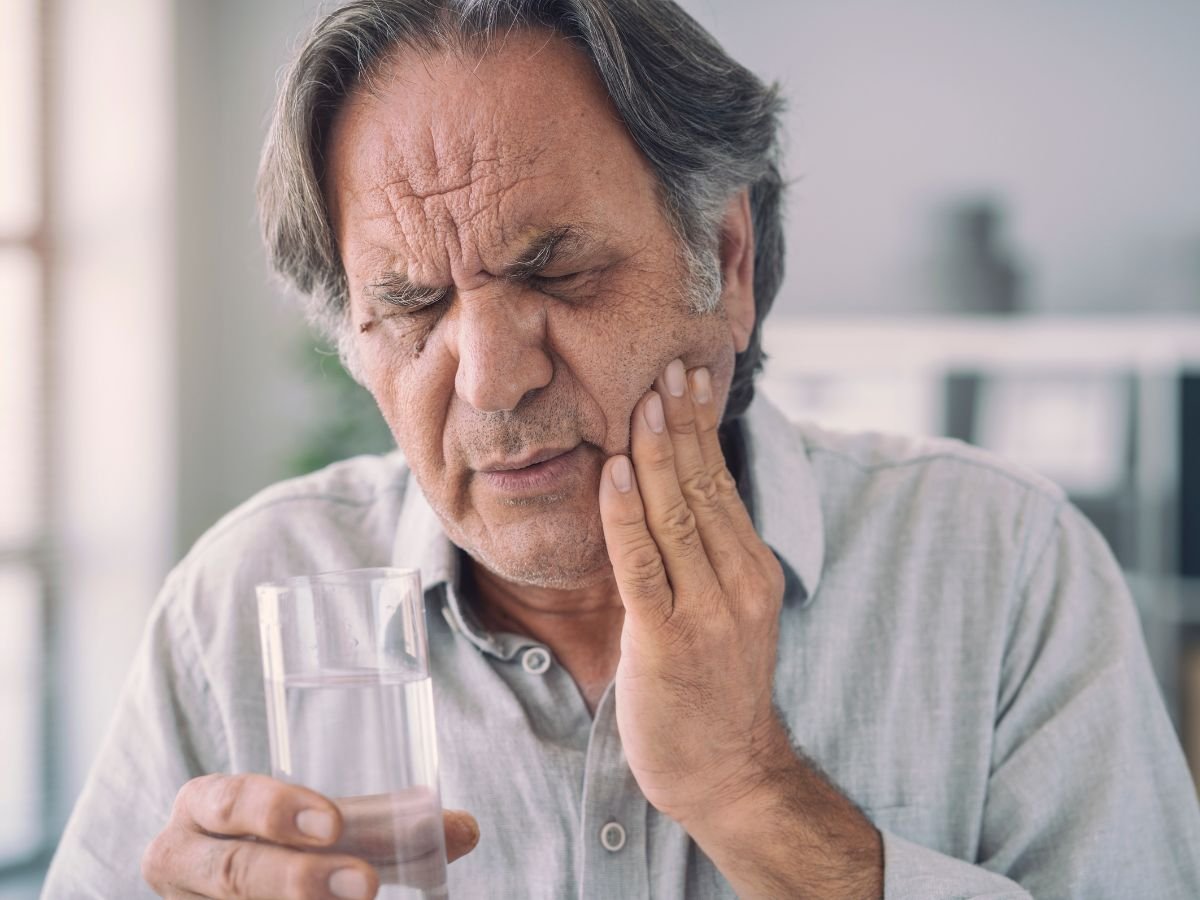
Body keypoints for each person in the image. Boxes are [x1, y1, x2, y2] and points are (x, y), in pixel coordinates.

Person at [43, 1, 1200, 898]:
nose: (493, 378)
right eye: (409, 304)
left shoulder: (1005, 567)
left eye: (558, 271)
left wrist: (750, 790)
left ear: (729, 260)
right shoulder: (241, 600)